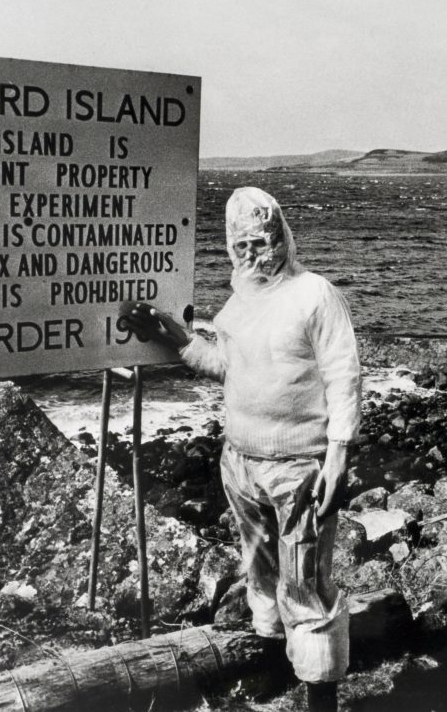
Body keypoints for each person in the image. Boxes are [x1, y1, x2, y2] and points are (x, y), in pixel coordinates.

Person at [125, 186, 361, 712]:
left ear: (282, 237)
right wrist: (174, 337)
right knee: (261, 575)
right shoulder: (239, 303)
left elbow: (344, 375)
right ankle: (276, 669)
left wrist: (339, 454)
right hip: (241, 462)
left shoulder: (315, 295)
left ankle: (321, 698)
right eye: (242, 245)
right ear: (230, 247)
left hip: (300, 467)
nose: (254, 254)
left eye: (262, 241)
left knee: (306, 584)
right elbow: (227, 367)